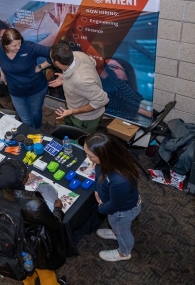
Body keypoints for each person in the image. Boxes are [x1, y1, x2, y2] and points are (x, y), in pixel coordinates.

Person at [0, 159, 67, 285]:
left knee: (26, 271)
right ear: (22, 180)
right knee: (46, 273)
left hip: (15, 242)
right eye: (26, 172)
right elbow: (54, 223)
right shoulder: (32, 203)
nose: (28, 174)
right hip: (36, 247)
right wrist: (58, 209)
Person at [84, 133, 141, 262]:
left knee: (123, 232)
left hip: (122, 211)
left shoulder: (120, 180)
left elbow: (116, 205)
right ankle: (116, 231)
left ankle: (124, 253)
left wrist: (101, 209)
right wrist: (97, 190)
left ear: (103, 155)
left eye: (90, 156)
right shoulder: (106, 162)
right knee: (116, 225)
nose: (87, 158)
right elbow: (98, 176)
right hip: (114, 206)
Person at [0, 29, 51, 129]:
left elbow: (54, 53)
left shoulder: (29, 47)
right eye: (14, 45)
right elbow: (0, 60)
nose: (18, 47)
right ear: (5, 45)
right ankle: (30, 134)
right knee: (25, 119)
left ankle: (37, 131)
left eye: (19, 43)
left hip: (36, 89)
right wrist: (2, 71)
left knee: (35, 115)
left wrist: (41, 66)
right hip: (16, 92)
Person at [48, 42, 109, 133]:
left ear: (57, 63)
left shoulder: (81, 81)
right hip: (73, 107)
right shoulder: (78, 55)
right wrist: (65, 78)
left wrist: (72, 111)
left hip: (85, 118)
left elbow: (103, 100)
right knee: (71, 129)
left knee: (81, 137)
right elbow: (93, 62)